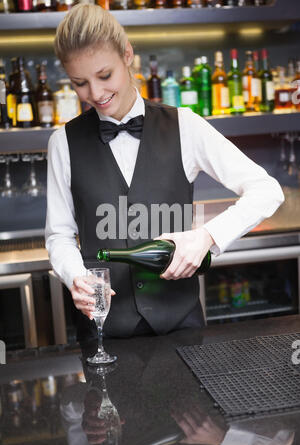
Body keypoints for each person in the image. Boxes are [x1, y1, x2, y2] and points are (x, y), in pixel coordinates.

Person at [45, 4, 284, 342]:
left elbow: (266, 190)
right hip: (104, 333)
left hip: (181, 329)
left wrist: (206, 237)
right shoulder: (63, 143)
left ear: (127, 55)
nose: (95, 94)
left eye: (104, 75)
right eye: (80, 83)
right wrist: (75, 278)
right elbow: (59, 236)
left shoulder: (185, 124)